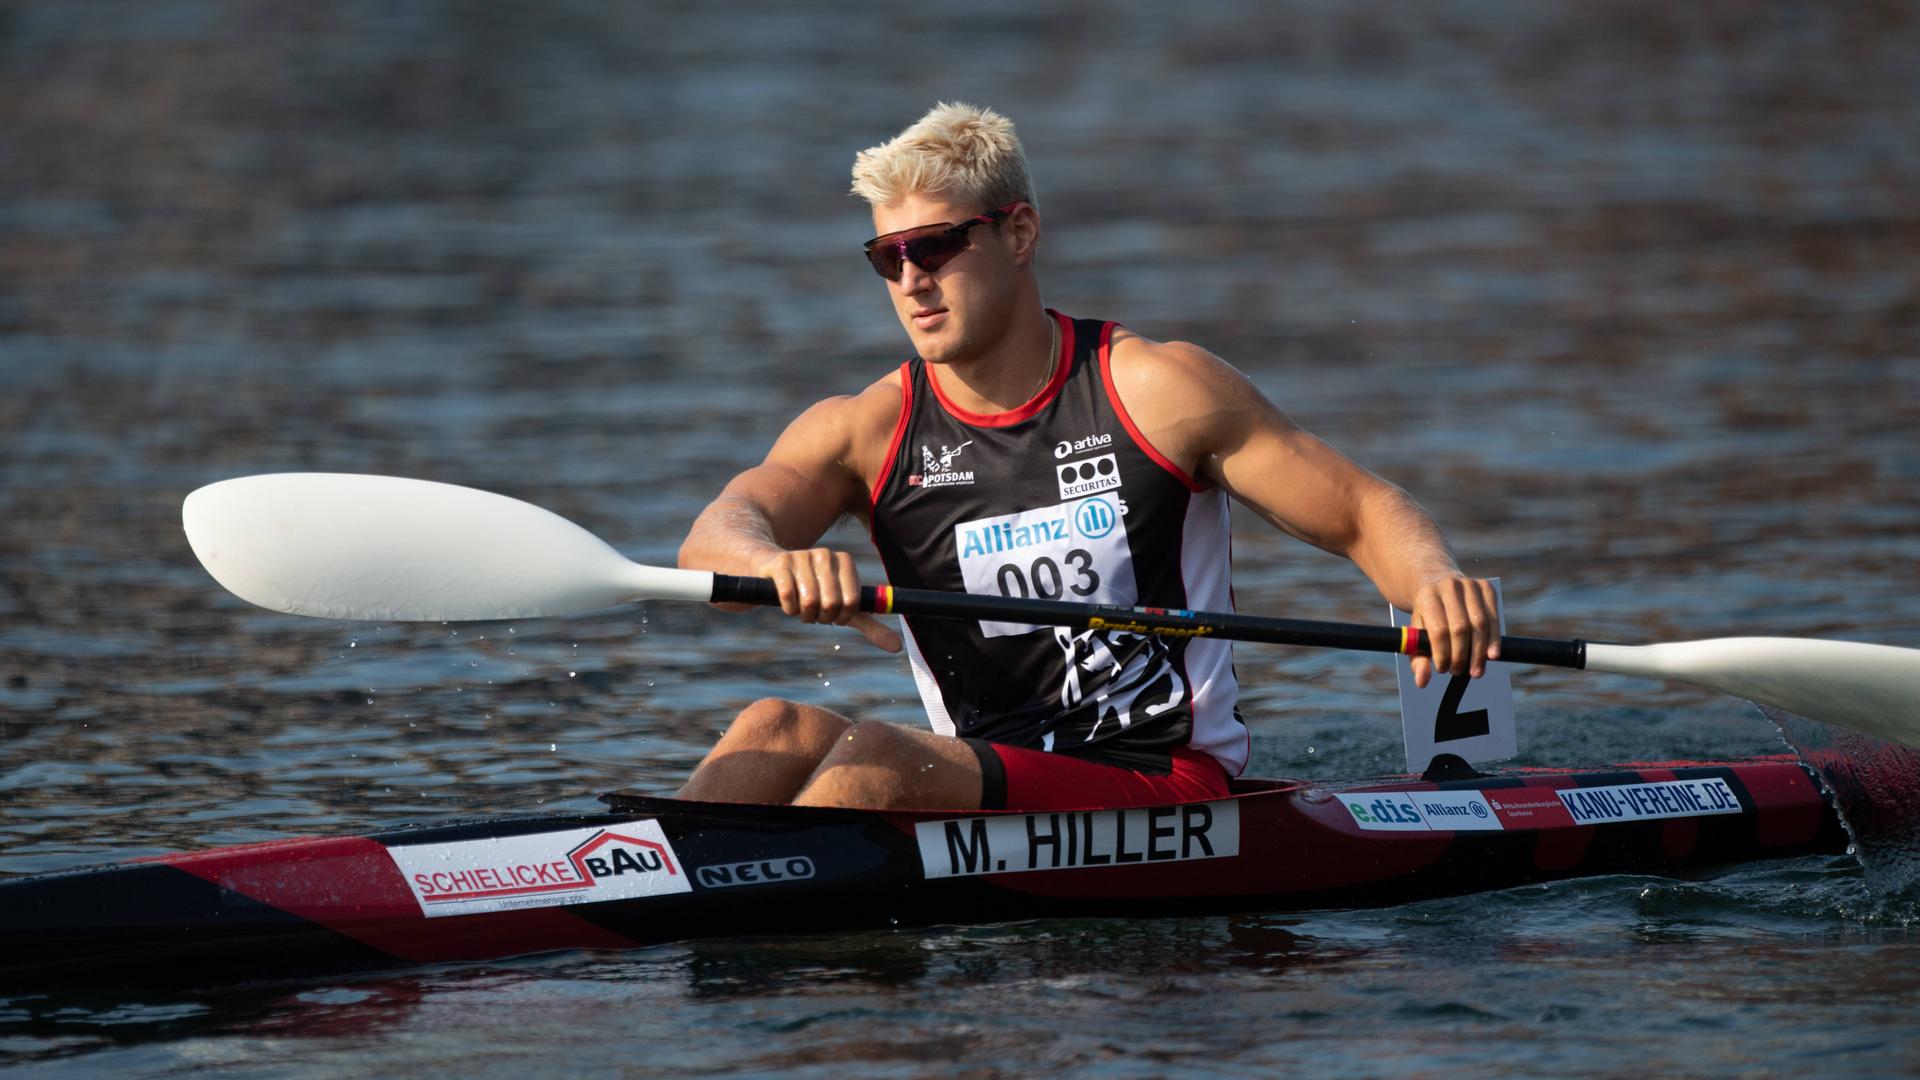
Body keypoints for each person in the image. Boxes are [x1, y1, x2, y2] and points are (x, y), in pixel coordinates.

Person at [676, 102, 1499, 812]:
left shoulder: (1156, 391)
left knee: (877, 765)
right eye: (887, 258)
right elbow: (714, 537)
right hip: (983, 774)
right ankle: (644, 904)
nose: (911, 280)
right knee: (771, 728)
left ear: (1020, 232)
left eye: (932, 247)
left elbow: (1361, 511)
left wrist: (1432, 583)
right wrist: (769, 561)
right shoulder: (866, 430)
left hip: (1156, 778)